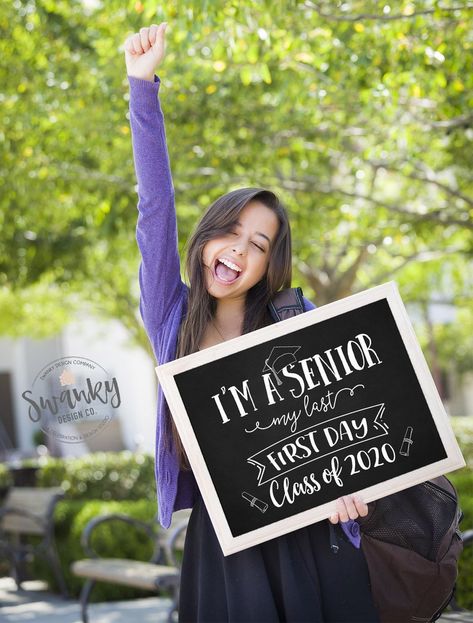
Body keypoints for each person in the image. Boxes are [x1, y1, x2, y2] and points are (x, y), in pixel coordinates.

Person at [124, 22, 379, 622]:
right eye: (230, 232)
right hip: (225, 536)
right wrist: (142, 87)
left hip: (310, 533)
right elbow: (154, 205)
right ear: (208, 237)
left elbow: (348, 422)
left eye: (258, 244)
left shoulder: (297, 318)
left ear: (270, 264)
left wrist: (348, 484)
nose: (238, 251)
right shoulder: (171, 314)